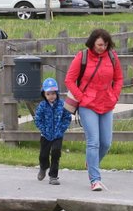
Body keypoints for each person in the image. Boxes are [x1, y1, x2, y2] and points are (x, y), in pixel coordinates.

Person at [65, 28, 123, 191]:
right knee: (93, 142)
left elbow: (118, 78)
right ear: (92, 43)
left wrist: (115, 94)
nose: (102, 48)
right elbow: (69, 80)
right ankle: (95, 180)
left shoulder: (112, 57)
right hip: (88, 105)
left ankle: (91, 162)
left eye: (105, 45)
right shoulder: (82, 57)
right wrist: (81, 97)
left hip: (107, 103)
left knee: (106, 142)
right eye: (99, 45)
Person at [34, 78, 73, 185]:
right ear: (44, 94)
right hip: (45, 135)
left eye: (53, 93)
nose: (51, 96)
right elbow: (37, 119)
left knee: (56, 153)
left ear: (57, 93)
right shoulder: (42, 106)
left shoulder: (61, 105)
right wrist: (43, 129)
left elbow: (67, 117)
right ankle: (43, 167)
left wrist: (61, 129)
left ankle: (53, 176)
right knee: (43, 155)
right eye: (48, 94)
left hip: (57, 135)